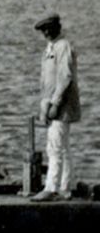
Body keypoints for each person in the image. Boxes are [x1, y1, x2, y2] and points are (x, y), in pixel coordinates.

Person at [31, 13, 81, 202]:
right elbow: (47, 82)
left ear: (57, 28)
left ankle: (51, 188)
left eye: (48, 28)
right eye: (43, 30)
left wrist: (55, 104)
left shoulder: (63, 46)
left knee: (55, 147)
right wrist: (44, 105)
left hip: (62, 106)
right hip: (52, 104)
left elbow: (65, 78)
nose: (45, 32)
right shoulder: (50, 48)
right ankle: (67, 186)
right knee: (63, 146)